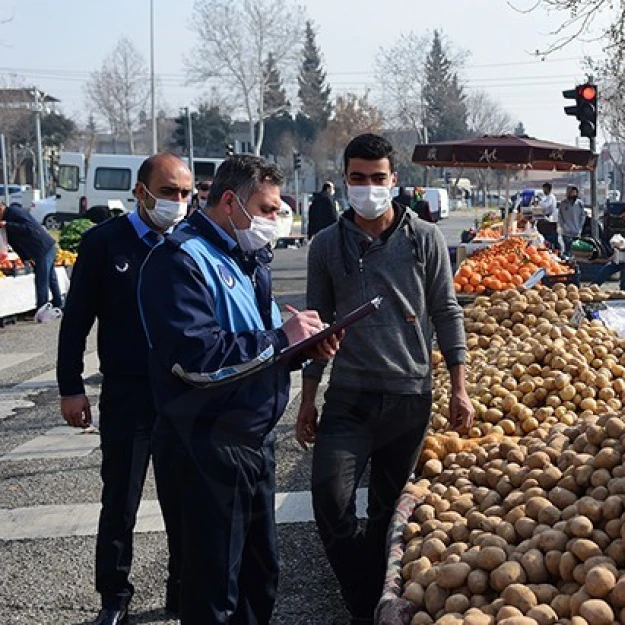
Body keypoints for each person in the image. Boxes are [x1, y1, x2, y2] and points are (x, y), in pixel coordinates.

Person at [138, 154, 337, 624]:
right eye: (267, 209)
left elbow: (257, 342)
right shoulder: (179, 260)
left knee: (259, 577)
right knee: (213, 590)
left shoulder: (249, 259)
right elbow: (197, 360)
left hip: (252, 440)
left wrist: (303, 343)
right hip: (205, 444)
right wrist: (279, 339)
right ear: (230, 202)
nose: (275, 220)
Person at [294, 133, 474, 625]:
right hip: (349, 399)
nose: (368, 188)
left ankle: (372, 606)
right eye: (358, 179)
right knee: (329, 503)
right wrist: (308, 399)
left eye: (378, 179)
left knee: (388, 515)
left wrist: (459, 387)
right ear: (346, 180)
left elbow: (446, 310)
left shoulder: (425, 239)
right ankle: (363, 600)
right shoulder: (327, 245)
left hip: (409, 397)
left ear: (394, 182)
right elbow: (317, 324)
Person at [56, 153, 191, 625]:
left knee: (184, 498)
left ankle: (182, 589)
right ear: (141, 192)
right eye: (168, 192)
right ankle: (114, 596)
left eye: (185, 193)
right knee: (120, 500)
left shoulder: (191, 246)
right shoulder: (102, 244)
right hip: (128, 393)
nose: (177, 202)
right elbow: (75, 322)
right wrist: (70, 387)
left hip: (183, 393)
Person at [0, 199, 64, 322]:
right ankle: (58, 304)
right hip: (41, 249)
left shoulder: (14, 212)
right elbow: (15, 242)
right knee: (51, 278)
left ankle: (42, 310)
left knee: (42, 280)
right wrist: (25, 258)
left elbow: (28, 228)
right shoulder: (8, 218)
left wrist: (7, 224)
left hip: (41, 248)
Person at [557, 185, 586, 258]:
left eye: (575, 192)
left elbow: (582, 216)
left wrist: (580, 228)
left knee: (575, 251)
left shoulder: (580, 204)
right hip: (566, 232)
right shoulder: (563, 204)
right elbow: (560, 217)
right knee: (567, 251)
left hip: (576, 231)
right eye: (572, 192)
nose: (574, 194)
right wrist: (563, 226)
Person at [534, 182, 560, 251]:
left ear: (549, 189)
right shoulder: (547, 197)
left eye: (545, 189)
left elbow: (545, 206)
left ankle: (554, 250)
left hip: (549, 221)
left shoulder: (551, 197)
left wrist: (538, 201)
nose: (543, 191)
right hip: (547, 220)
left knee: (550, 239)